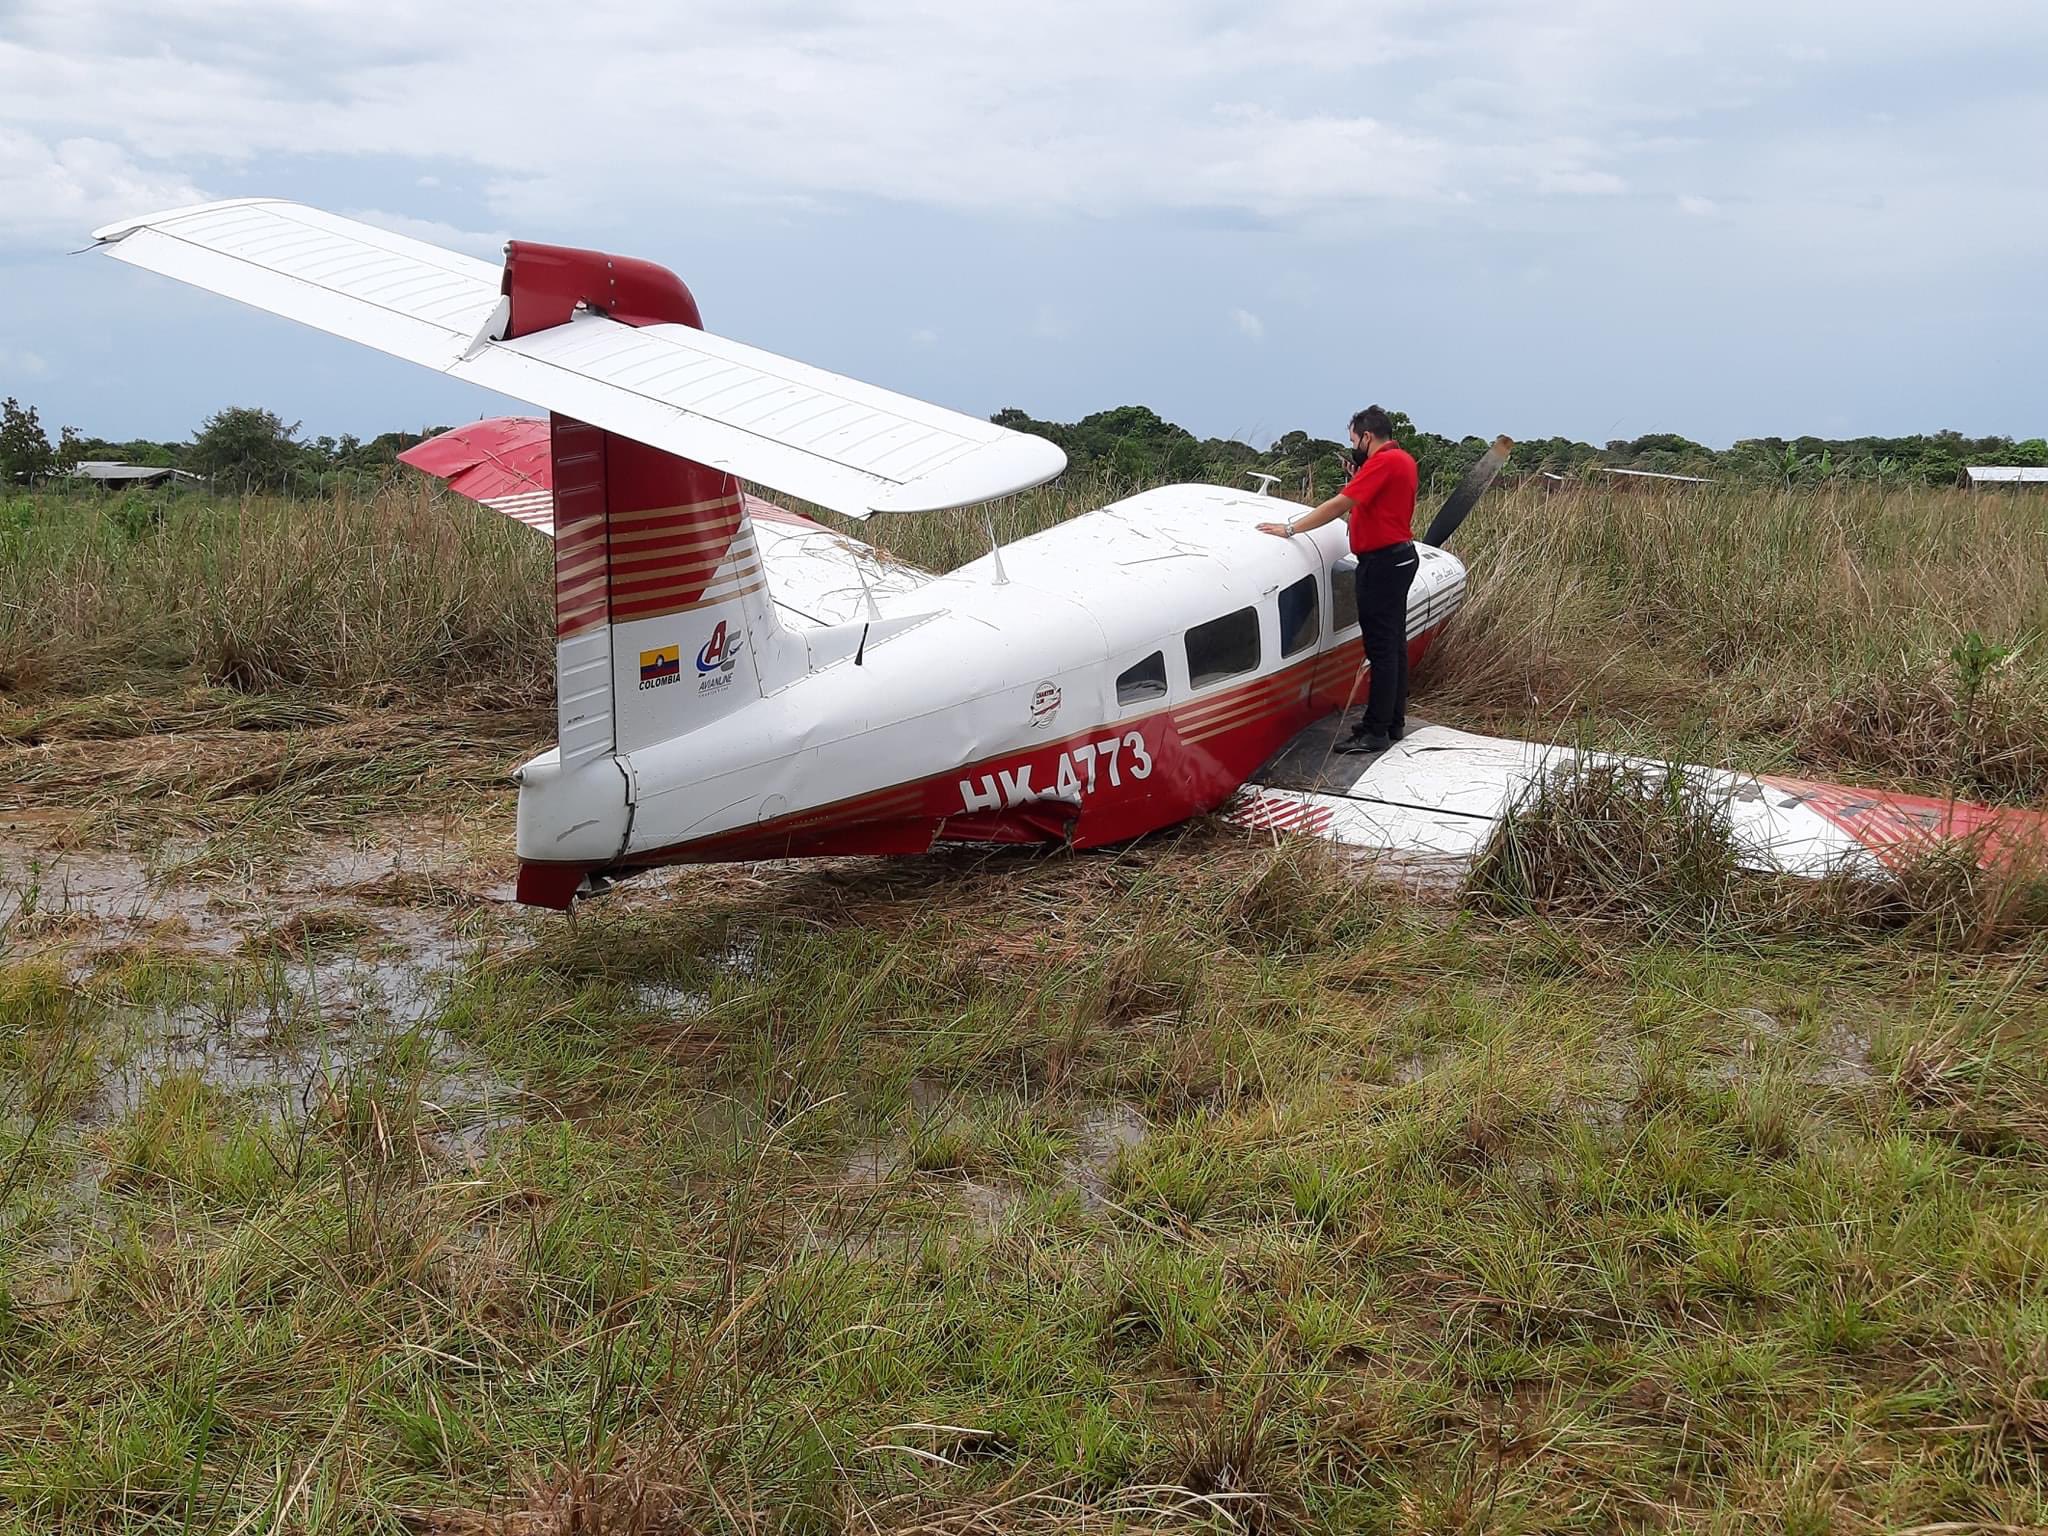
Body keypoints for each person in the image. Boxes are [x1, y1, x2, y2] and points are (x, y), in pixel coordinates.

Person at [1256, 405, 1419, 753]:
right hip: (1399, 559)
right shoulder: (1403, 460)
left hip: (1382, 564)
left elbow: (1339, 504)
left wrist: (1290, 529)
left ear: (1367, 436)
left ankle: (1376, 731)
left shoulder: (1383, 463)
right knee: (1394, 644)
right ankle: (1392, 722)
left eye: (1354, 439)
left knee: (1380, 648)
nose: (1353, 445)